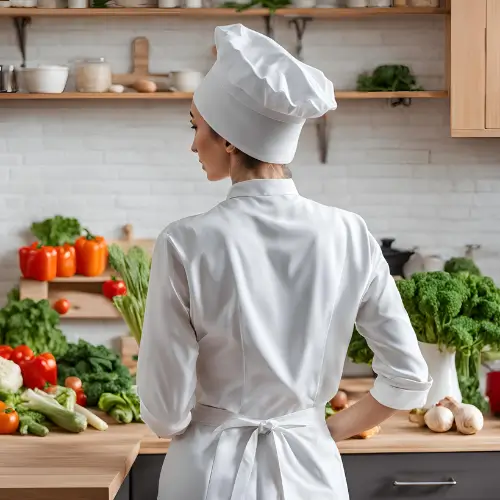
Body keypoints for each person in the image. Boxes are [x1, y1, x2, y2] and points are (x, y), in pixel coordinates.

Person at [137, 23, 431, 500]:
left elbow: (165, 413)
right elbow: (409, 376)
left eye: (197, 127)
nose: (194, 144)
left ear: (229, 139)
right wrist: (315, 431)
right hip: (312, 474)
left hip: (206, 474)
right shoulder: (349, 233)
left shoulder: (184, 242)